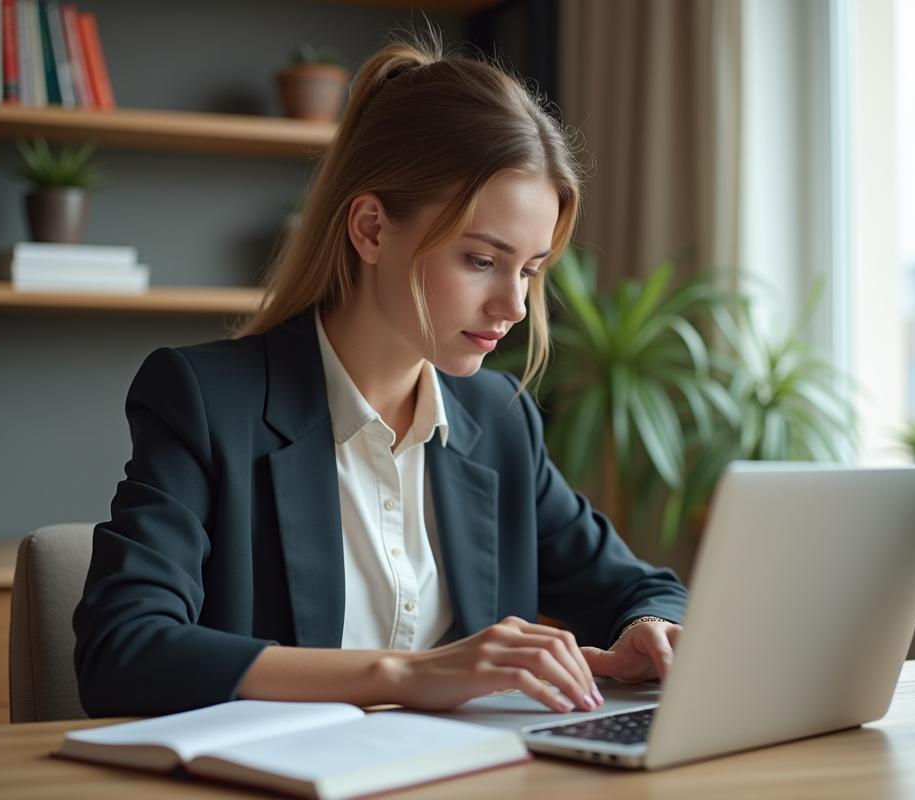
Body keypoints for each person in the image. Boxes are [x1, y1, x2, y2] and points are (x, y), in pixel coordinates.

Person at [73, 35, 687, 720]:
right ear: (370, 229)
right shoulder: (206, 401)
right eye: (483, 260)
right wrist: (408, 673)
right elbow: (121, 651)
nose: (514, 306)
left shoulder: (499, 421)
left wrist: (649, 631)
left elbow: (642, 589)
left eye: (530, 269)